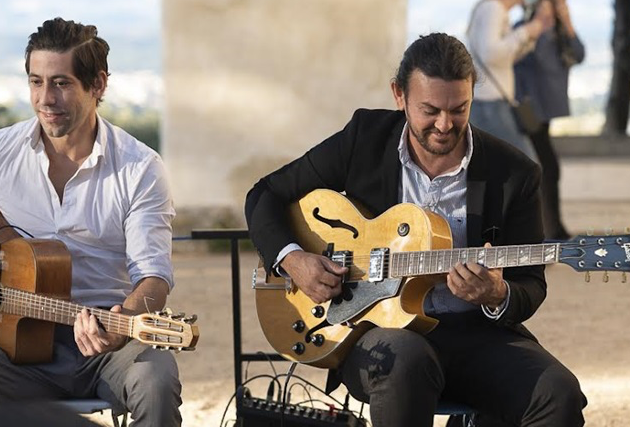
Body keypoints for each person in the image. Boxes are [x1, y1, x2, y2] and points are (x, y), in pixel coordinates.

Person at [245, 33, 586, 427]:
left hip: (475, 334)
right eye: (430, 110)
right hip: (375, 333)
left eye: (459, 109)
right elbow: (265, 195)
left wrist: (497, 293)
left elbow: (531, 284)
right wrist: (295, 260)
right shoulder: (364, 139)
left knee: (558, 393)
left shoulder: (515, 174)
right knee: (406, 360)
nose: (445, 124)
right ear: (399, 95)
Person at [0, 18, 181, 427]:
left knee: (156, 379)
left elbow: (153, 277)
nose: (46, 98)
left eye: (61, 83)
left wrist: (123, 323)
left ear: (98, 85)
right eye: (36, 81)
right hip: (12, 347)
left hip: (110, 342)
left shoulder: (140, 168)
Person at [514, 0, 584, 240]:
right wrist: (538, 27)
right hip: (531, 111)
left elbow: (579, 54)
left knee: (549, 170)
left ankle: (555, 229)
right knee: (546, 169)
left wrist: (567, 22)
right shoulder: (525, 31)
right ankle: (550, 231)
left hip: (546, 112)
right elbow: (536, 61)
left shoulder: (559, 33)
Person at [465, 0, 554, 161]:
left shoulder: (493, 9)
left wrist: (534, 32)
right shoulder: (493, 8)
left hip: (490, 102)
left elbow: (504, 58)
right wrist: (526, 31)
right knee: (527, 165)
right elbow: (491, 54)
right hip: (490, 104)